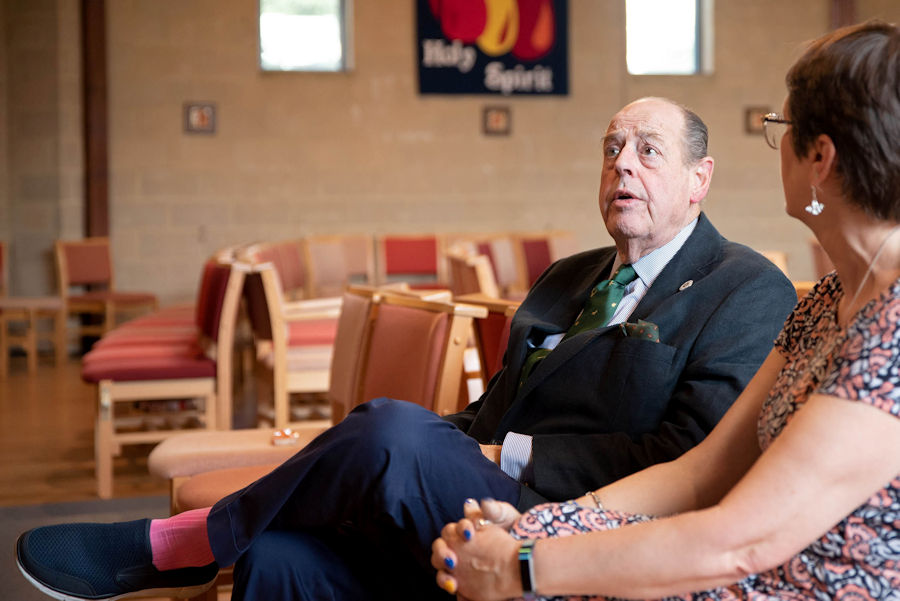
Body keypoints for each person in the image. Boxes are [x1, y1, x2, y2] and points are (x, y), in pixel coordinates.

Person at [15, 97, 797, 601]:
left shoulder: (744, 286)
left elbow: (687, 455)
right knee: (278, 561)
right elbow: (492, 407)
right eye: (611, 147)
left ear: (701, 178)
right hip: (476, 486)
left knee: (389, 433)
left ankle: (181, 544)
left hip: (581, 521)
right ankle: (235, 538)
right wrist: (452, 441)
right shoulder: (568, 276)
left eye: (648, 150)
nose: (622, 163)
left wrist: (503, 453)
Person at [431, 21, 900, 601]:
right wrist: (536, 529)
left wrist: (523, 565)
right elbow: (702, 471)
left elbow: (741, 541)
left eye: (782, 129)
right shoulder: (830, 300)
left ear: (821, 159)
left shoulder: (893, 322)